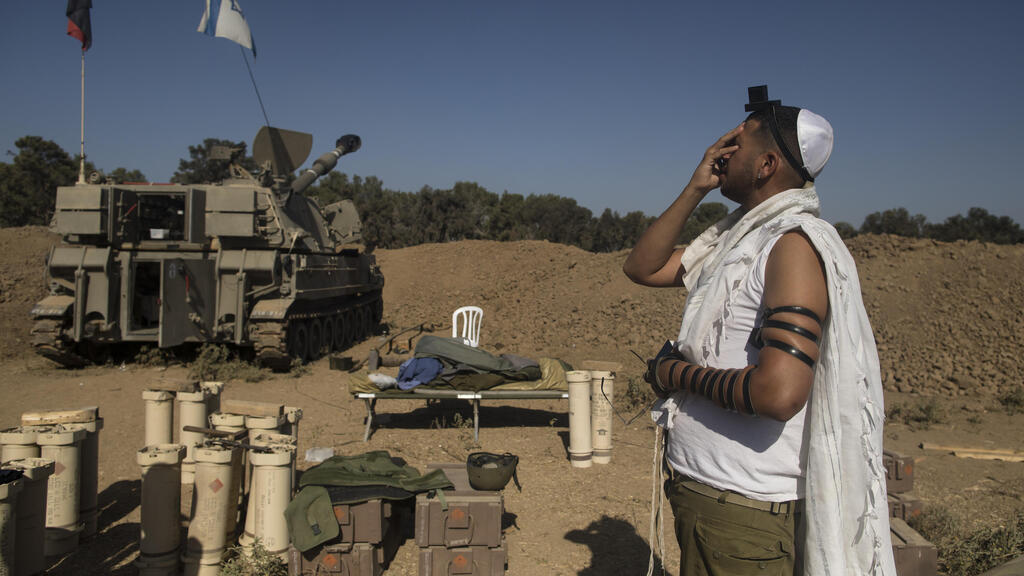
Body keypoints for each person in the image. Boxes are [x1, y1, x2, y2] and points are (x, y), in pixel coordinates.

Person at [623, 87, 896, 575]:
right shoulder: (739, 239)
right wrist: (694, 188)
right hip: (716, 499)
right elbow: (643, 268)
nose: (723, 152)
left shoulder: (791, 247)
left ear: (767, 165)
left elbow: (779, 393)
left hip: (741, 512)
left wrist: (675, 374)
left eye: (737, 143)